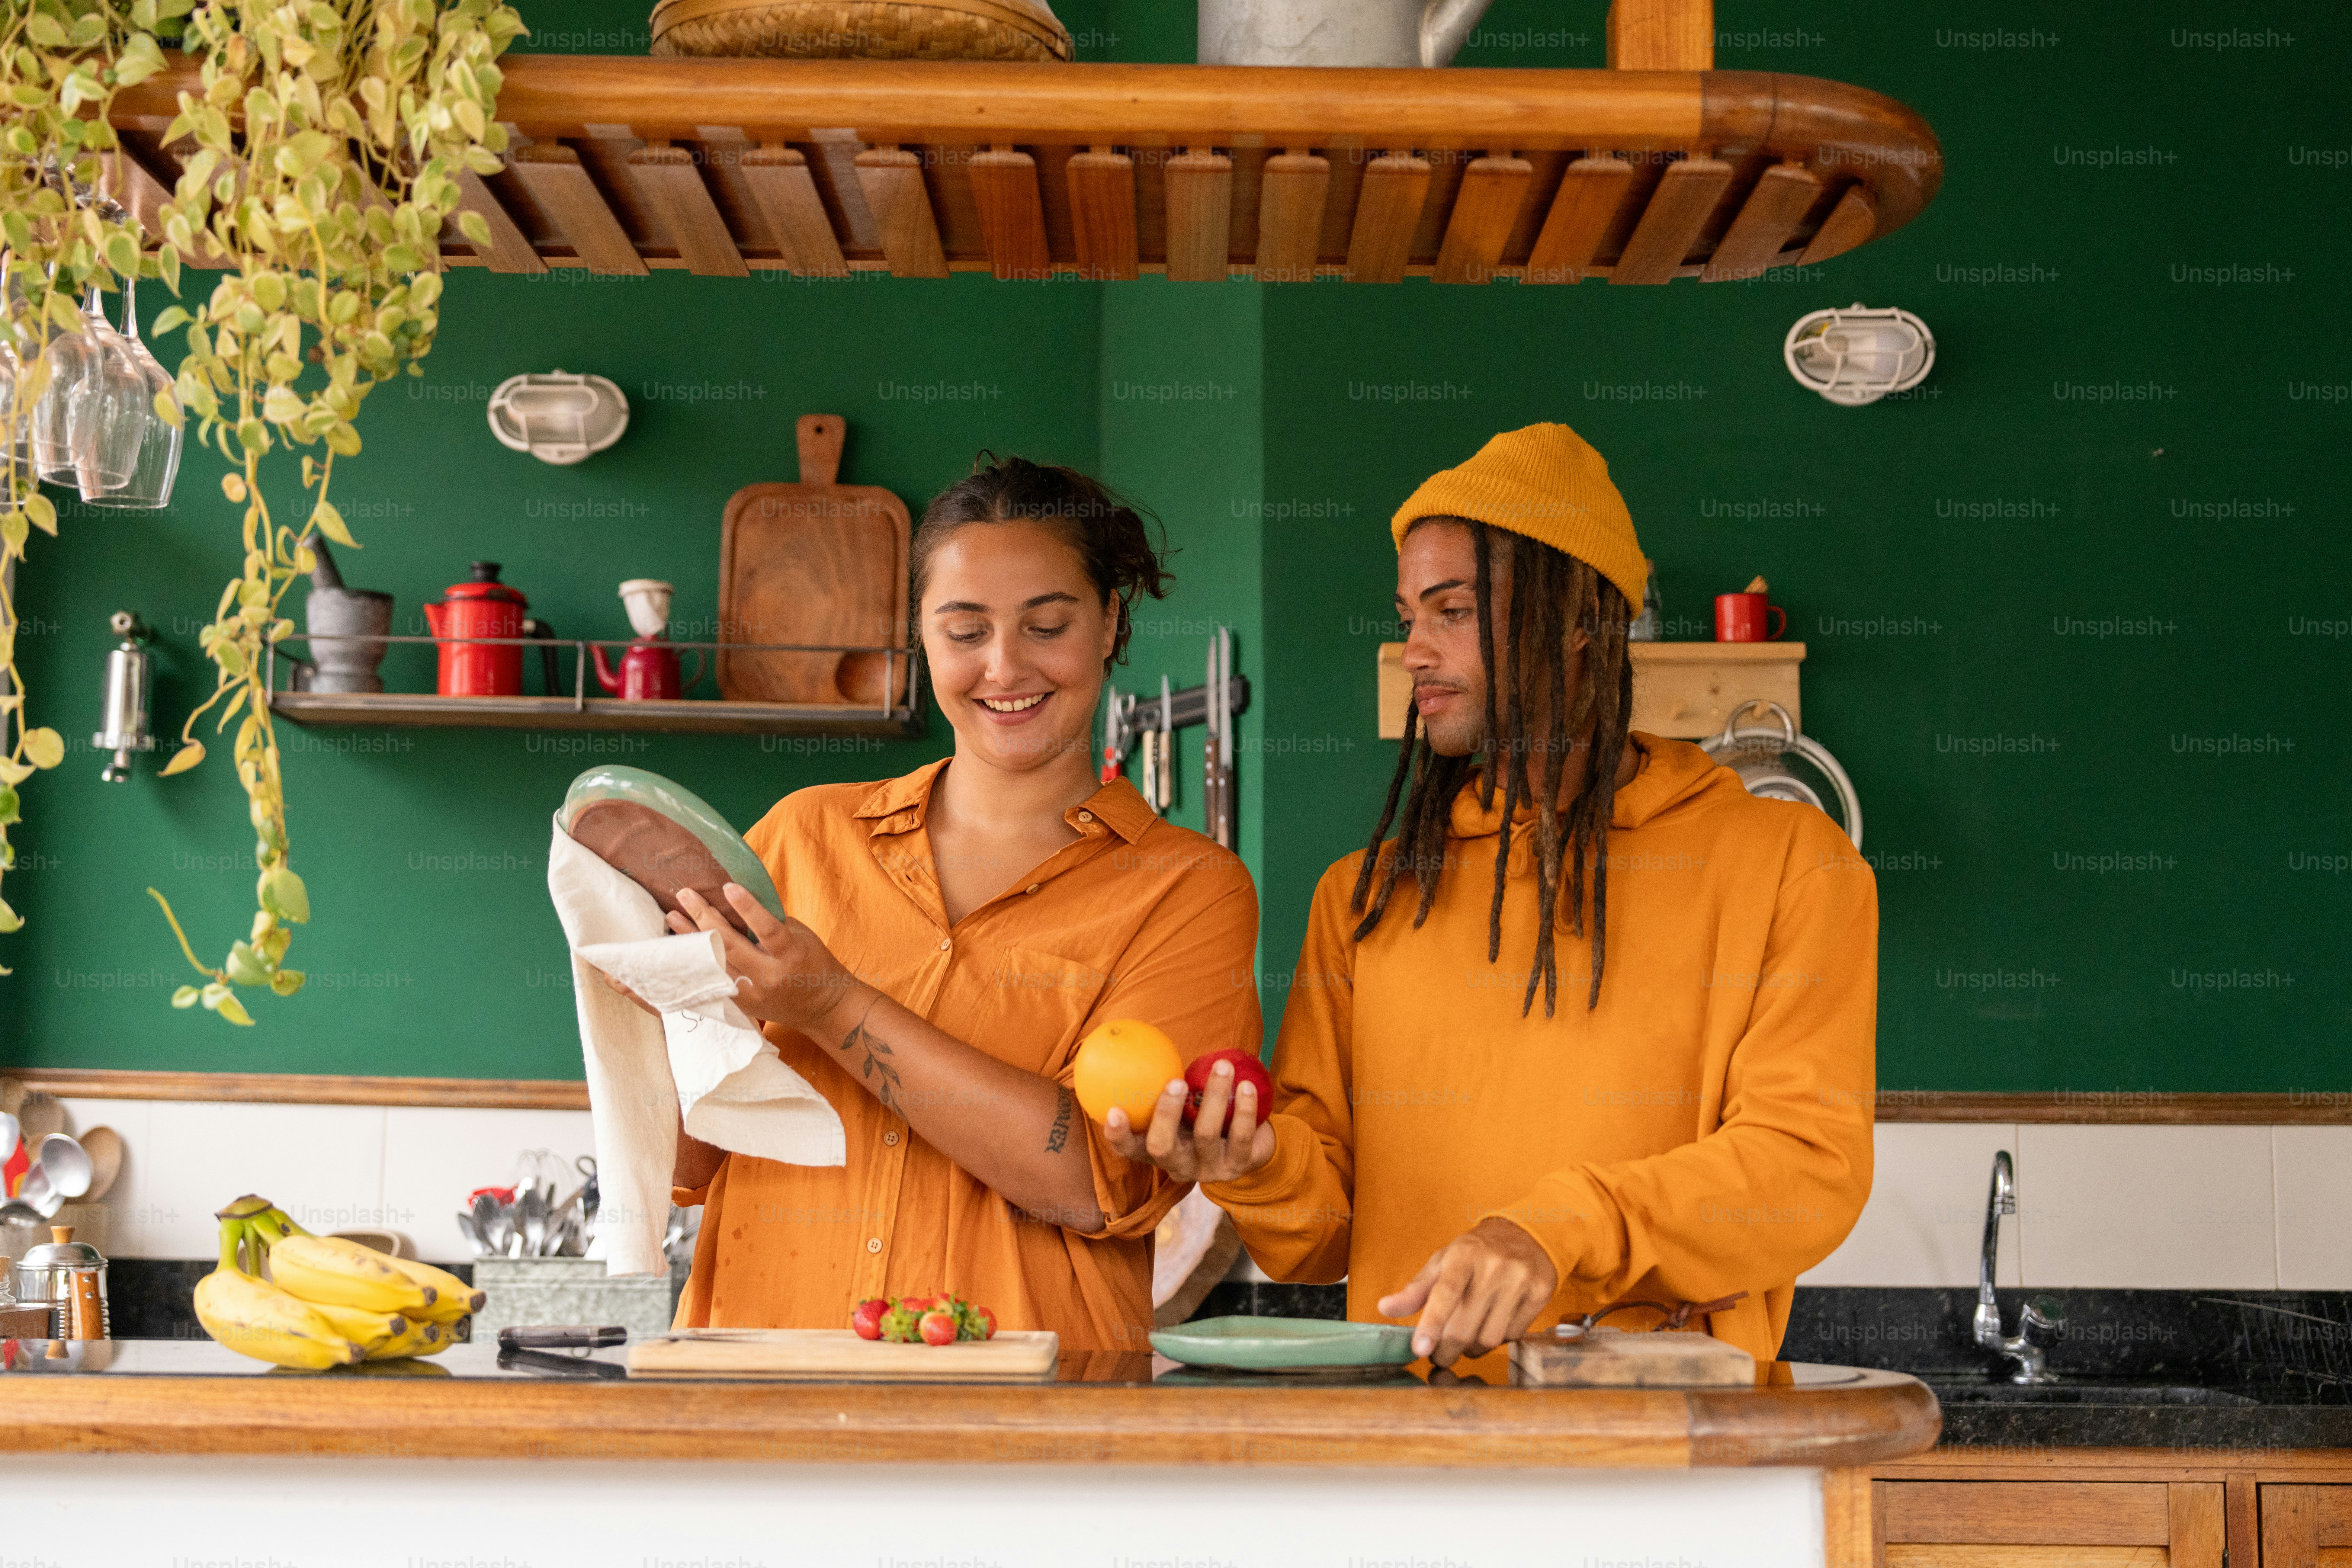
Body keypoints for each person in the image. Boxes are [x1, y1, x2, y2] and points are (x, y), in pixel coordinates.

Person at [1108, 423, 1876, 1370]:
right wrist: (1256, 1168)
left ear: (1582, 619)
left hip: (1663, 1456)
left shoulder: (1792, 862)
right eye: (1407, 617)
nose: (1414, 651)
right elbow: (1321, 1236)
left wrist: (1557, 1234)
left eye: (1453, 611)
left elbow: (1805, 1170)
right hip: (1410, 1452)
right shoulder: (1364, 899)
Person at [632, 456, 1260, 1351]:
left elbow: (1094, 1181)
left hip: (1029, 1433)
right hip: (765, 1402)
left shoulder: (1187, 890)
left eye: (1047, 625)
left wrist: (830, 1003)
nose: (1005, 666)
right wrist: (651, 1001)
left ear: (1112, 620)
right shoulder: (801, 840)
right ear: (920, 636)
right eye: (965, 630)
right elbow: (681, 1159)